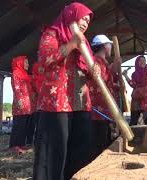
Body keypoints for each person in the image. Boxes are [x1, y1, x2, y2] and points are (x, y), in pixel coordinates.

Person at [33, 3, 99, 180]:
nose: (85, 23)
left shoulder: (84, 43)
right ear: (71, 16)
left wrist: (95, 71)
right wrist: (71, 45)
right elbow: (45, 60)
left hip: (80, 103)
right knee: (55, 153)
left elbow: (89, 69)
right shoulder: (52, 34)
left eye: (87, 20)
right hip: (56, 105)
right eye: (82, 18)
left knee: (80, 151)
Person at [88, 34, 121, 159]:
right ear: (104, 46)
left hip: (105, 109)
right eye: (109, 45)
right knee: (99, 142)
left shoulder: (103, 62)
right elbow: (103, 81)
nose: (111, 48)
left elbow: (109, 80)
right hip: (98, 110)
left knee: (105, 139)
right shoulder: (96, 62)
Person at [9, 56, 33, 153]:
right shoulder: (16, 73)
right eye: (26, 62)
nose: (28, 65)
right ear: (20, 63)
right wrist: (19, 101)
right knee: (18, 125)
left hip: (27, 105)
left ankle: (21, 144)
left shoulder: (25, 75)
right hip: (20, 104)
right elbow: (17, 88)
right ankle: (14, 145)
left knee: (24, 125)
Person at [123, 55, 147, 125]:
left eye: (144, 60)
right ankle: (134, 136)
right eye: (140, 60)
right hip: (136, 102)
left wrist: (136, 88)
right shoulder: (134, 74)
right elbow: (133, 84)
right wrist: (125, 75)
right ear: (137, 62)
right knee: (133, 122)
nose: (143, 62)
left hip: (146, 101)